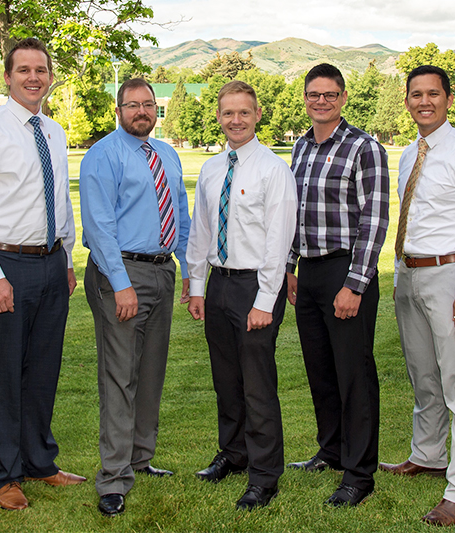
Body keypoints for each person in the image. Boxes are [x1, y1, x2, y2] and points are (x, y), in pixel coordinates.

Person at [0, 37, 84, 511]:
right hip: (6, 264)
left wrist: (67, 258)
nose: (34, 77)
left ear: (50, 76)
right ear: (7, 76)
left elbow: (59, 199)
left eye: (42, 69)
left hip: (52, 264)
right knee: (4, 374)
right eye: (24, 69)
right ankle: (6, 474)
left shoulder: (53, 130)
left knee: (42, 372)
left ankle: (39, 461)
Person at [378, 65, 455, 526]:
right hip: (410, 274)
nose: (423, 102)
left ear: (448, 98)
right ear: (407, 101)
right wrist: (399, 275)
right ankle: (427, 454)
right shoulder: (409, 153)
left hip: (450, 276)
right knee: (423, 375)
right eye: (415, 94)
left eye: (433, 94)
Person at [80, 78, 191, 517]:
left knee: (150, 373)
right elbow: (99, 226)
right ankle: (112, 478)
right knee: (119, 375)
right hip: (121, 274)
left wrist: (189, 273)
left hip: (162, 271)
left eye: (148, 105)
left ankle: (140, 459)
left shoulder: (166, 153)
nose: (141, 111)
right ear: (118, 109)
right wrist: (121, 282)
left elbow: (179, 213)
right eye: (132, 105)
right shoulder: (102, 156)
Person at [186, 80, 297, 510]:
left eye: (243, 113)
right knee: (226, 381)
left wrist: (265, 300)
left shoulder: (273, 169)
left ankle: (265, 476)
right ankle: (233, 454)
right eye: (228, 113)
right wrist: (197, 287)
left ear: (257, 116)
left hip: (256, 284)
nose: (235, 120)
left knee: (257, 385)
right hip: (219, 283)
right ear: (218, 116)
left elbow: (279, 241)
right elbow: (201, 230)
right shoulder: (213, 169)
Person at [285, 63, 389, 507]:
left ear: (343, 98)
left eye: (329, 94)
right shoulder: (302, 148)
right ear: (305, 98)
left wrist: (356, 283)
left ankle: (359, 474)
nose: (321, 101)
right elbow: (294, 213)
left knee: (354, 374)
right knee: (321, 370)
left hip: (346, 271)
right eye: (314, 94)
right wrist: (291, 267)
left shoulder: (364, 148)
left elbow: (375, 218)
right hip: (308, 273)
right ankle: (330, 450)